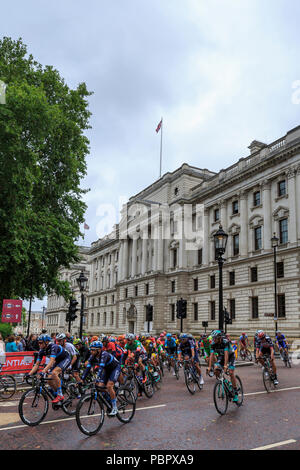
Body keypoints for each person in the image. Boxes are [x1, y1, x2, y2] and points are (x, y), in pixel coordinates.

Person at [27, 334, 71, 403]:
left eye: (41, 342)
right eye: (38, 342)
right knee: (49, 380)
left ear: (46, 342)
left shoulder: (53, 347)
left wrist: (43, 371)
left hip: (65, 358)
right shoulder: (41, 351)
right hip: (58, 361)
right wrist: (28, 374)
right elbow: (37, 364)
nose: (39, 344)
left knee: (54, 373)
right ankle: (58, 393)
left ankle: (60, 395)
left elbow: (51, 361)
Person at [81, 341, 121, 416]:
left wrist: (97, 378)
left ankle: (115, 408)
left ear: (99, 350)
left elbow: (101, 368)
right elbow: (87, 368)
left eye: (93, 350)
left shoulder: (104, 354)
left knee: (109, 386)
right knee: (100, 386)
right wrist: (82, 379)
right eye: (91, 349)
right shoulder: (92, 356)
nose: (91, 351)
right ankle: (110, 399)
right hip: (107, 370)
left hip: (115, 368)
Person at [207, 330, 239, 402]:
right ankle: (227, 382)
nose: (213, 339)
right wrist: (209, 367)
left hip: (230, 356)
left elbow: (226, 354)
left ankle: (235, 392)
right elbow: (211, 356)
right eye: (213, 338)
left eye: (215, 338)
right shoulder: (213, 344)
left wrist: (225, 366)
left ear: (219, 338)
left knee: (230, 372)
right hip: (221, 357)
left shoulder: (225, 342)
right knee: (216, 370)